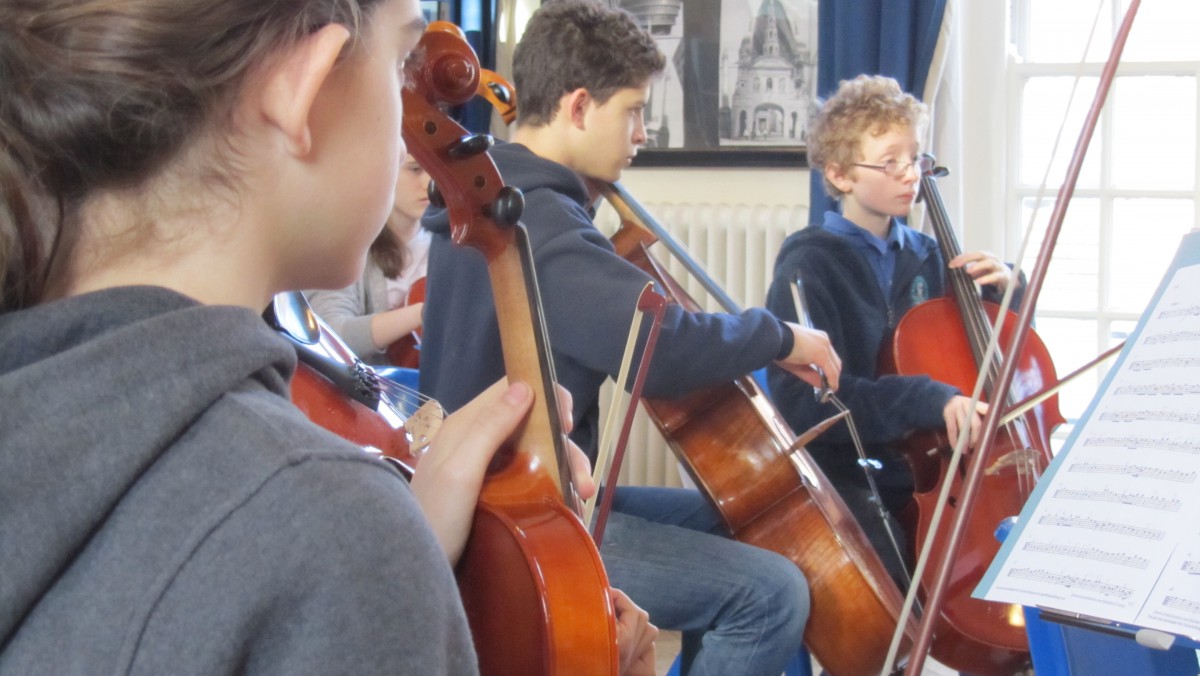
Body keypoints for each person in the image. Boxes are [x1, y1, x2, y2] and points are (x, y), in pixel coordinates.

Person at [0, 0, 654, 674]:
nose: (414, 126)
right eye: (401, 64)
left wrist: (419, 544)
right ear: (303, 94)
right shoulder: (332, 534)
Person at [418, 2, 842, 674]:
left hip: (518, 494)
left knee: (736, 514)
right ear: (580, 106)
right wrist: (781, 336)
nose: (643, 133)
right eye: (634, 112)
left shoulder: (499, 196)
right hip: (515, 521)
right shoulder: (537, 219)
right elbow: (662, 347)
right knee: (770, 593)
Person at [764, 74, 1024, 583]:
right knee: (890, 574)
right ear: (839, 174)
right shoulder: (810, 264)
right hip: (843, 468)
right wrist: (928, 399)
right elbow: (810, 403)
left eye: (915, 158)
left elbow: (992, 359)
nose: (912, 175)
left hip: (927, 466)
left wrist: (1009, 295)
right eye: (890, 162)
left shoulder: (931, 257)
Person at [307, 153, 430, 365]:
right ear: (382, 170)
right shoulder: (343, 246)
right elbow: (329, 334)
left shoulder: (454, 244)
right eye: (415, 169)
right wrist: (424, 312)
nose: (429, 183)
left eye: (436, 170)